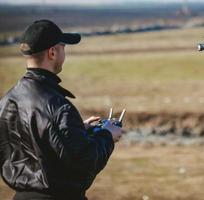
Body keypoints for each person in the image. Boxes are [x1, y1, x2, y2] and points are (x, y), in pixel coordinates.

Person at [0, 19, 122, 200]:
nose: (64, 52)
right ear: (52, 52)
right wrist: (107, 135)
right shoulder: (57, 106)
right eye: (63, 47)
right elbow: (84, 161)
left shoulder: (6, 102)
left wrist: (77, 129)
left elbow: (36, 143)